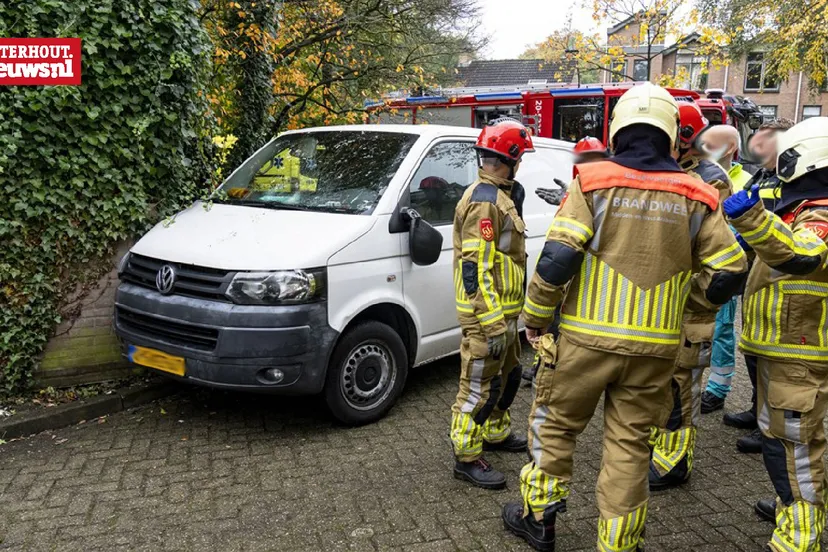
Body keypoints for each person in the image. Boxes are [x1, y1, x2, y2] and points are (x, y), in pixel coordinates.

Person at [500, 84, 747, 551]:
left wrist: (534, 316)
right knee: (631, 447)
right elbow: (731, 269)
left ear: (616, 129)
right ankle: (618, 543)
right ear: (672, 133)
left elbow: (557, 257)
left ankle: (539, 520)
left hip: (582, 344)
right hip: (655, 352)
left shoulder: (592, 181)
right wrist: (693, 308)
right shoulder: (698, 193)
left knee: (554, 427)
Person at [723, 116, 828, 552]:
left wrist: (752, 219)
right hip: (787, 351)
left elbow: (800, 256)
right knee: (789, 444)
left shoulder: (821, 213)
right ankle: (797, 507)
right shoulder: (806, 209)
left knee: (794, 448)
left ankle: (800, 534)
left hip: (798, 355)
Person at [648, 101, 736, 491]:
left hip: (691, 305)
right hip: (670, 299)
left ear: (683, 138)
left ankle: (674, 463)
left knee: (681, 384)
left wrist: (698, 300)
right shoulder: (682, 172)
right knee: (667, 382)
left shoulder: (709, 180)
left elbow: (717, 252)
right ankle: (663, 446)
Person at [450, 118, 533, 489]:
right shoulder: (486, 203)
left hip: (505, 312)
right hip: (487, 317)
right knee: (477, 386)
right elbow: (475, 270)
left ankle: (496, 433)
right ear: (511, 158)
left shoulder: (500, 195)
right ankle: (466, 455)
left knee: (509, 376)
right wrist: (494, 323)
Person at [723, 118, 796, 455]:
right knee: (753, 350)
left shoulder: (791, 181)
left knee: (772, 359)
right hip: (756, 275)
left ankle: (771, 427)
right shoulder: (762, 176)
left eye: (765, 141)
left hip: (779, 277)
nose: (757, 147)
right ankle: (757, 411)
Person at [523, 137, 610, 385]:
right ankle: (542, 364)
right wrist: (566, 199)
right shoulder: (580, 187)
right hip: (568, 269)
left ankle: (556, 369)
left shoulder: (609, 190)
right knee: (552, 323)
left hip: (587, 270)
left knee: (566, 325)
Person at [696, 125, 754, 414]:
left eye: (712, 144)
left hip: (727, 268)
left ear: (731, 147)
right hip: (697, 266)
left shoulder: (747, 180)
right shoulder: (697, 173)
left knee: (721, 329)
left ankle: (718, 389)